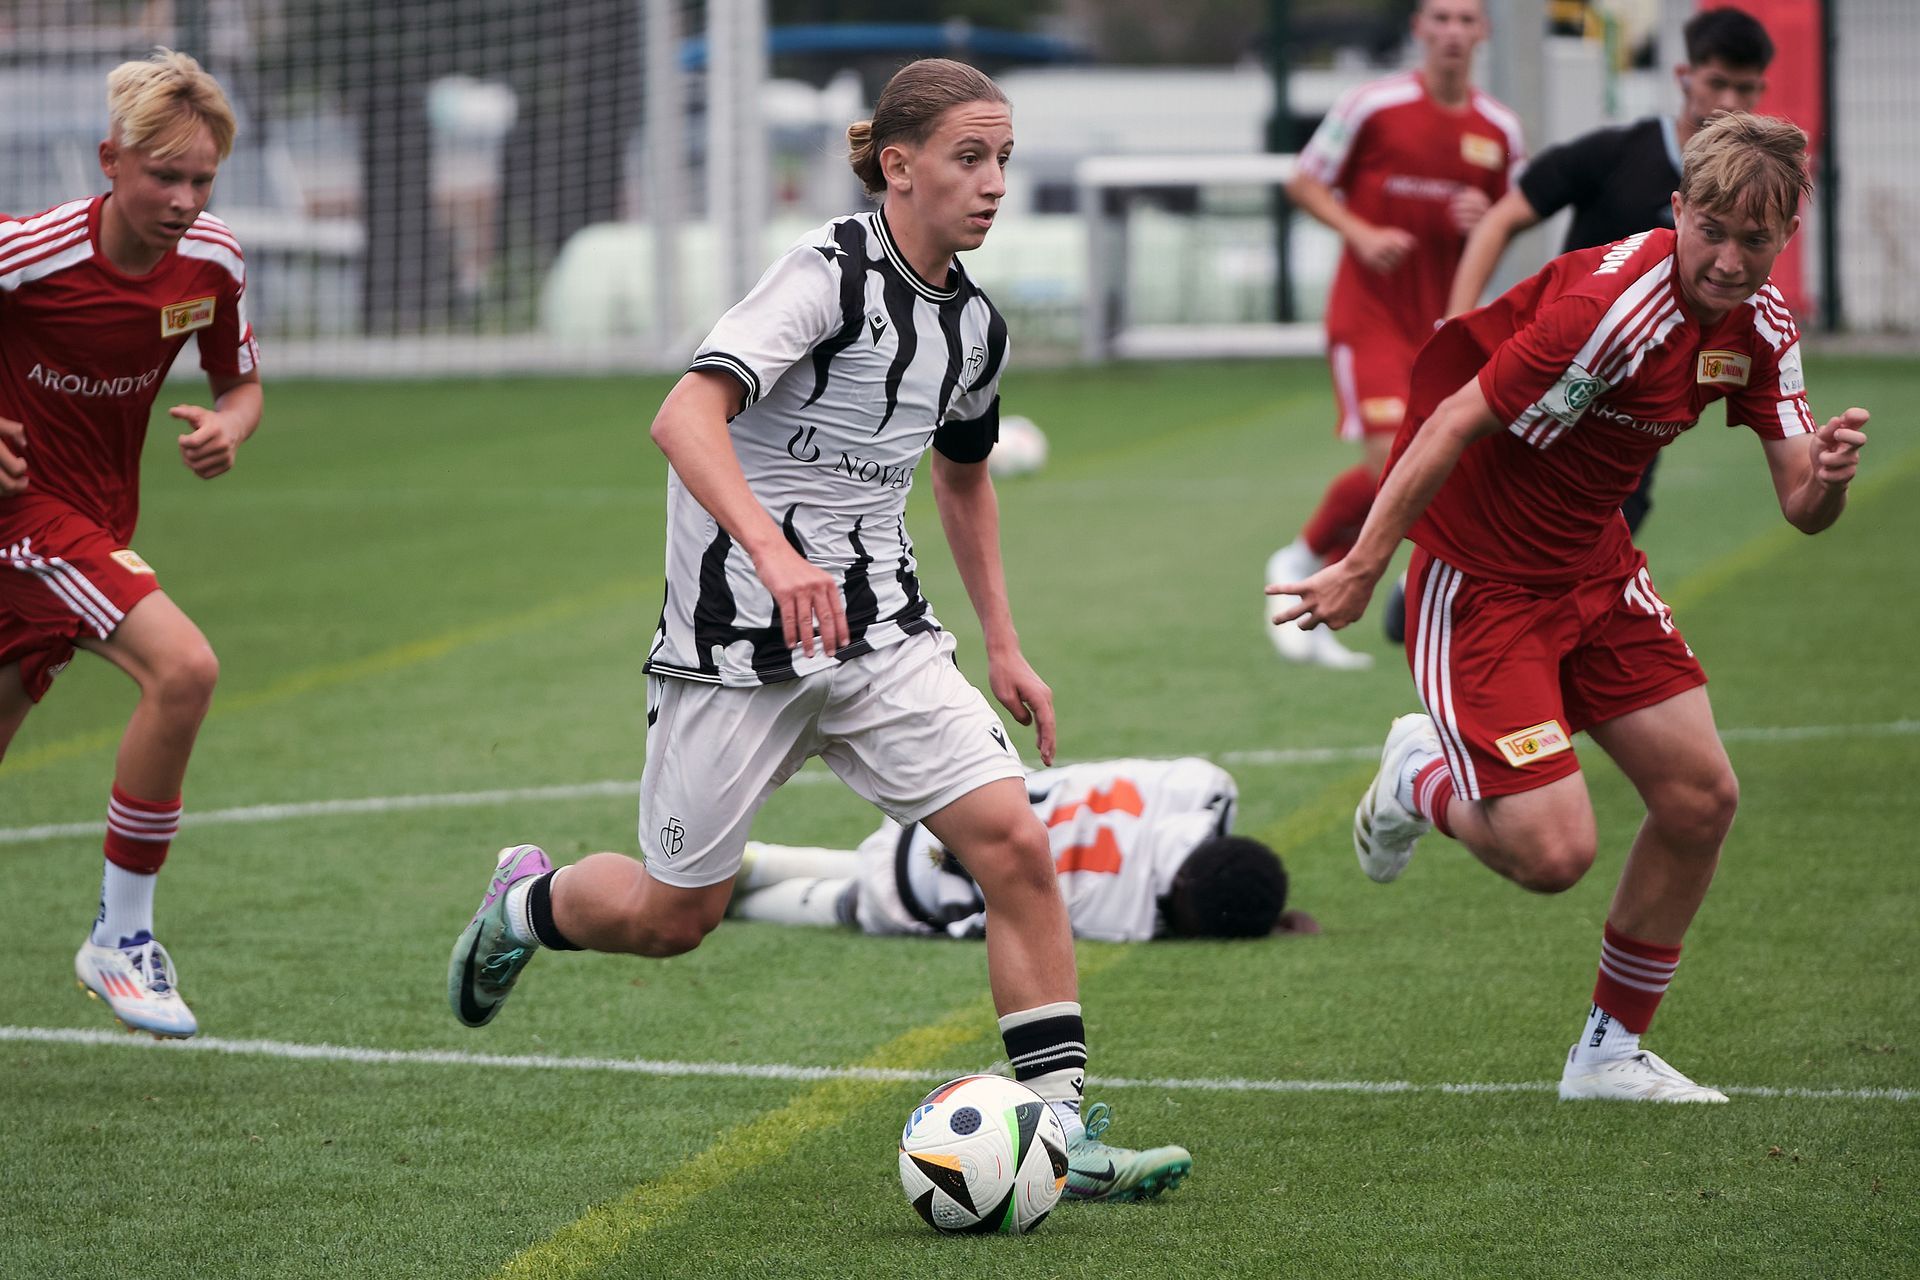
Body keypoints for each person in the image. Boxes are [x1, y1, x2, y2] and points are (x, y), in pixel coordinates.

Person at [446, 59, 1190, 1203]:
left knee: (1014, 846)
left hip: (884, 636)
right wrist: (774, 550)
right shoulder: (825, 272)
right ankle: (526, 903)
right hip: (734, 647)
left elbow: (963, 479)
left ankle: (1059, 1127)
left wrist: (1004, 643)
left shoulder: (975, 328)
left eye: (1003, 159)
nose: (994, 183)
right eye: (969, 158)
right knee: (673, 916)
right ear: (899, 165)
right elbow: (684, 415)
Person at [1272, 113, 1868, 1102]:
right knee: (1554, 855)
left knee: (1701, 800)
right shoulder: (1608, 307)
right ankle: (1421, 774)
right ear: (1677, 209)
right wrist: (1362, 567)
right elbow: (1454, 418)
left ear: (1787, 236)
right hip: (1484, 580)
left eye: (1754, 240)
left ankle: (1607, 1053)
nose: (1728, 259)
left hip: (1596, 569)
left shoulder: (1763, 327)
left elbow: (1802, 507)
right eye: (1711, 230)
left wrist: (1833, 478)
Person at [0, 50, 262, 1040]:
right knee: (184, 668)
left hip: (98, 521)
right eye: (164, 177)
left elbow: (241, 382)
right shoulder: (30, 253)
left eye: (202, 180)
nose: (185, 201)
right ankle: (121, 936)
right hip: (24, 519)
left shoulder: (214, 263)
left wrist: (231, 425)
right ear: (110, 161)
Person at [1445, 6, 1774, 540]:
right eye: (1718, 83)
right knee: (1500, 516)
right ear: (1684, 77)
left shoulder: (1753, 200)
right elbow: (1500, 220)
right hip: (1552, 373)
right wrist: (1455, 324)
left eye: (1745, 88)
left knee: (1599, 537)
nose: (1731, 102)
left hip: (1639, 407)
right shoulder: (1614, 154)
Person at [1265, 0, 1524, 670]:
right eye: (1440, 18)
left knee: (1426, 466)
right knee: (1393, 466)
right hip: (1370, 318)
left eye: (1465, 20)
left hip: (1444, 328)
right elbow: (1303, 182)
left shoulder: (1499, 129)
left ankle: (1316, 567)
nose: (1452, 32)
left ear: (1483, 32)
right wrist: (1360, 232)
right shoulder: (1371, 105)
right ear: (1419, 29)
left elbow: (1510, 219)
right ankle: (1310, 560)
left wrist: (1488, 218)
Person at [729, 757, 1318, 941]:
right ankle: (742, 901)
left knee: (876, 862)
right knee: (855, 903)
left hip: (950, 810)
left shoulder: (1194, 788)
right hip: (924, 888)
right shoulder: (1126, 912)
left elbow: (1213, 800)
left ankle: (754, 862)